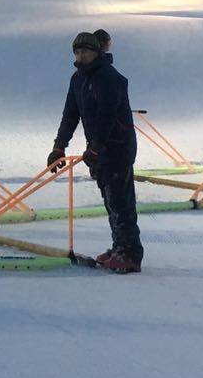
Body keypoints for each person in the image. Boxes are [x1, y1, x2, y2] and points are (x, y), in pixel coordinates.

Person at [47, 31, 141, 272]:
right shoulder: (78, 79)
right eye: (77, 51)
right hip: (98, 148)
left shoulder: (109, 77)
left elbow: (107, 116)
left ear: (96, 51)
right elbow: (70, 114)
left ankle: (130, 253)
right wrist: (59, 146)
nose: (81, 55)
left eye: (86, 51)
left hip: (118, 146)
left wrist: (97, 147)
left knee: (120, 200)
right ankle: (120, 245)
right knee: (110, 199)